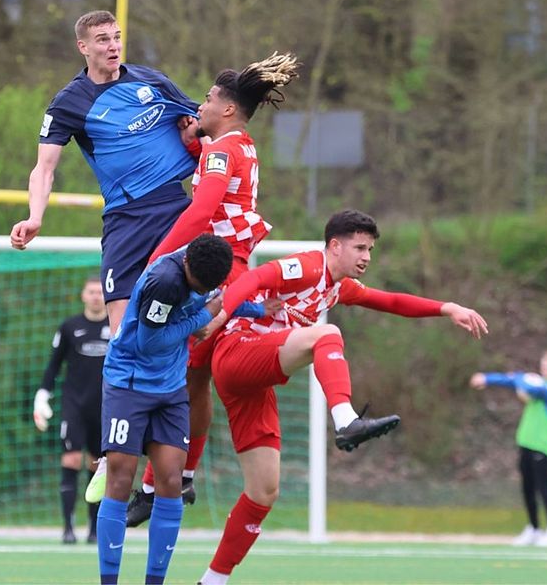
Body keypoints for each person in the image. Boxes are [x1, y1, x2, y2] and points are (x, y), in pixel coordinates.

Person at [196, 210, 490, 585]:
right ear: (335, 246)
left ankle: (212, 581)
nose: (367, 256)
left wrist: (446, 307)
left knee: (263, 491)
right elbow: (255, 276)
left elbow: (392, 302)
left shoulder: (337, 286)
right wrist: (215, 316)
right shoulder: (305, 267)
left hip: (254, 382)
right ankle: (346, 420)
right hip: (238, 352)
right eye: (360, 247)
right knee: (326, 334)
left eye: (370, 249)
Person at [127, 52, 301, 527]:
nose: (200, 104)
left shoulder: (225, 150)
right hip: (231, 267)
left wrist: (157, 259)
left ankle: (151, 477)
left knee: (170, 366)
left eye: (207, 99)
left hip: (215, 272)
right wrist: (192, 136)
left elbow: (203, 210)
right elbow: (207, 166)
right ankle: (175, 476)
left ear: (227, 108)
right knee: (193, 377)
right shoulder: (236, 146)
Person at [10, 9, 203, 336]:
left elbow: (205, 121)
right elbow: (44, 168)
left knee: (200, 316)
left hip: (175, 206)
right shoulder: (69, 104)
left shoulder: (152, 81)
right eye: (102, 40)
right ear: (83, 47)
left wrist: (193, 128)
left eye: (116, 37)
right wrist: (35, 216)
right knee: (121, 326)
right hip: (125, 218)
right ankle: (123, 385)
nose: (113, 46)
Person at [95, 233, 272, 585]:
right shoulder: (165, 281)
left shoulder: (212, 264)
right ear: (187, 265)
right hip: (129, 382)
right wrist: (201, 319)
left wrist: (258, 309)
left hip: (171, 388)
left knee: (172, 481)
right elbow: (150, 342)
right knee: (120, 475)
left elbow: (220, 299)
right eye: (197, 285)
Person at [32, 277, 110, 544]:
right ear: (83, 295)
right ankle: (67, 527)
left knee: (97, 465)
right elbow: (54, 365)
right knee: (71, 460)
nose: (96, 296)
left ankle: (94, 529)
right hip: (74, 404)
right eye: (91, 292)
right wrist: (42, 395)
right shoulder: (69, 327)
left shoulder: (117, 325)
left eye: (100, 292)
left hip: (105, 405)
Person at [470, 349, 547, 547]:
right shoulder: (539, 382)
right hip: (526, 442)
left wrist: (522, 382)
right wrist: (487, 379)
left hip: (542, 445)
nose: (543, 368)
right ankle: (533, 528)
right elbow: (513, 380)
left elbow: (533, 390)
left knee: (544, 487)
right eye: (543, 364)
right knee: (527, 488)